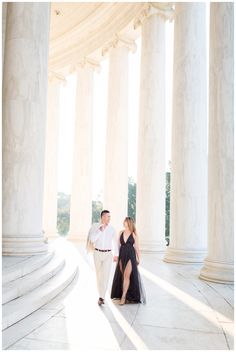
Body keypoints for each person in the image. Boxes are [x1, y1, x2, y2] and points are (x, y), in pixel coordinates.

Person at [111, 217, 146, 305]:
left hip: (131, 256)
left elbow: (137, 248)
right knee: (123, 275)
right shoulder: (121, 233)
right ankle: (125, 294)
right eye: (124, 221)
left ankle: (123, 297)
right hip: (122, 256)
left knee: (127, 276)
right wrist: (116, 256)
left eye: (126, 221)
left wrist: (139, 258)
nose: (124, 222)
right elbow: (118, 246)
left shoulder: (134, 235)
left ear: (129, 222)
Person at [88, 210, 119, 306]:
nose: (109, 218)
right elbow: (92, 240)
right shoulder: (96, 227)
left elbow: (115, 243)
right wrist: (99, 231)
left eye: (110, 216)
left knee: (105, 275)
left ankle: (102, 297)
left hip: (108, 254)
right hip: (97, 253)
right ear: (102, 217)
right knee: (99, 275)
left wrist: (116, 254)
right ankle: (100, 293)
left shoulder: (112, 229)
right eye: (107, 216)